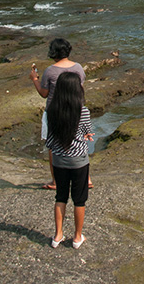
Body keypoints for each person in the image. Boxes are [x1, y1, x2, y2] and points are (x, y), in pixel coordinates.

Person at [29, 38, 87, 190]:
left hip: (55, 112)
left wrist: (35, 79)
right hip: (76, 110)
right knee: (81, 141)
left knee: (53, 145)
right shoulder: (78, 68)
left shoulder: (50, 71)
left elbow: (44, 93)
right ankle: (86, 178)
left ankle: (55, 181)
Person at [45, 72, 93, 249]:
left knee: (61, 197)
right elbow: (87, 130)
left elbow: (49, 140)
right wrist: (86, 136)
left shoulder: (52, 111)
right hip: (79, 161)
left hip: (59, 160)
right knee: (79, 200)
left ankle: (57, 235)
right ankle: (77, 237)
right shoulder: (83, 111)